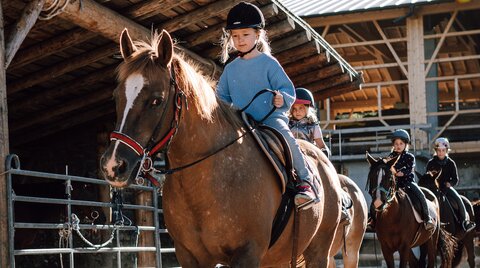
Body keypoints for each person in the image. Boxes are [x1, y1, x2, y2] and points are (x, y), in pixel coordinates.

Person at [216, 2, 318, 210]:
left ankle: (306, 183)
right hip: (241, 121)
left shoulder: (269, 63)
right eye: (235, 36)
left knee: (287, 139)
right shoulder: (230, 69)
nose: (240, 40)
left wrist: (283, 99)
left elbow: (287, 91)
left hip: (270, 118)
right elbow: (221, 99)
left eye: (245, 34)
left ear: (257, 35)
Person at [367, 129, 435, 231]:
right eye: (396, 143)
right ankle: (373, 220)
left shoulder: (410, 157)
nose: (398, 146)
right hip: (394, 184)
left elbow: (410, 168)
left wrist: (402, 172)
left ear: (406, 144)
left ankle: (427, 218)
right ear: (393, 145)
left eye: (401, 143)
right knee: (378, 196)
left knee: (419, 194)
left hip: (407, 183)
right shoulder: (390, 157)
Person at [425, 137, 476, 232]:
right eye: (439, 150)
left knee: (458, 199)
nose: (441, 152)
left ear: (446, 151)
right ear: (436, 150)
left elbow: (456, 179)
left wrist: (450, 183)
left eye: (443, 150)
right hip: (434, 188)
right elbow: (427, 177)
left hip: (447, 188)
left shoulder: (451, 163)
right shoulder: (431, 163)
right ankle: (426, 221)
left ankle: (465, 221)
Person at [288, 87, 331, 158]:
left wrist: (324, 151)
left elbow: (320, 143)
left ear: (307, 108)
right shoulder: (287, 124)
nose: (297, 111)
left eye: (300, 108)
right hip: (291, 153)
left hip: (308, 154)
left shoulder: (313, 126)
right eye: (294, 109)